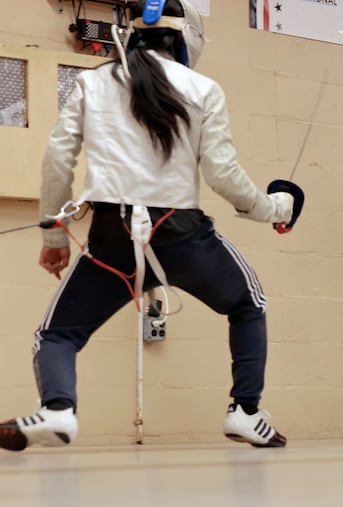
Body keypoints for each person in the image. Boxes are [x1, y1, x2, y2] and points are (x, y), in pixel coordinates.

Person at [0, 0, 293, 451]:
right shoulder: (203, 88)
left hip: (111, 236)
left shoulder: (92, 82)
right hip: (182, 233)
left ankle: (58, 408)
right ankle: (245, 413)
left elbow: (57, 159)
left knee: (57, 334)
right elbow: (223, 175)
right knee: (248, 304)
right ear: (183, 39)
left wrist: (54, 235)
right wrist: (274, 208)